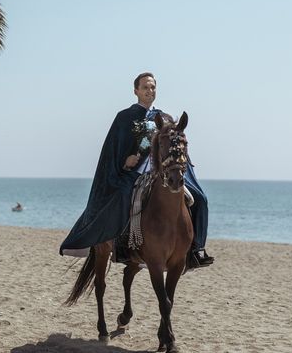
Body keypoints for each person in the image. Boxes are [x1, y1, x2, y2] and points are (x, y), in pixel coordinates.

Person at [59, 72, 214, 269]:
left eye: (152, 87)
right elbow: (113, 149)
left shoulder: (165, 118)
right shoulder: (125, 117)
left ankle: (196, 249)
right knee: (123, 195)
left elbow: (175, 147)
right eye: (145, 87)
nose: (150, 91)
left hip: (163, 173)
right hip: (134, 173)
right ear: (136, 91)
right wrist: (125, 160)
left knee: (201, 199)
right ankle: (121, 245)